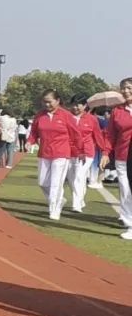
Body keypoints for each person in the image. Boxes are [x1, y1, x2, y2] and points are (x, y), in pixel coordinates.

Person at [26, 90, 80, 221]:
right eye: (44, 102)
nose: (47, 104)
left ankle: (54, 209)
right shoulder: (40, 115)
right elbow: (34, 132)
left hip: (61, 153)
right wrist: (29, 141)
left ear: (57, 101)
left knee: (56, 183)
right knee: (43, 182)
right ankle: (60, 200)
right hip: (44, 152)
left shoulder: (66, 115)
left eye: (49, 102)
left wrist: (78, 152)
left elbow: (76, 134)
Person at [100, 79, 132, 238]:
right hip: (122, 157)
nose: (125, 91)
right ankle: (130, 224)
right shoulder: (117, 111)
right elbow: (110, 135)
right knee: (126, 189)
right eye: (123, 88)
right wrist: (105, 153)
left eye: (129, 88)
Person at [67, 96, 106, 214]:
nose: (75, 107)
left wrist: (104, 152)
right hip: (69, 152)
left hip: (86, 152)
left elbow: (98, 136)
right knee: (72, 178)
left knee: (78, 176)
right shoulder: (67, 117)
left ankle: (76, 204)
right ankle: (80, 198)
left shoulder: (92, 119)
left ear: (84, 106)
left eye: (78, 105)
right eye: (73, 104)